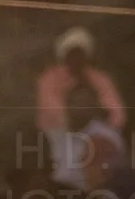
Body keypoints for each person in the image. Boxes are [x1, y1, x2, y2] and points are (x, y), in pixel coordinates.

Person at [35, 26, 128, 180]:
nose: (77, 58)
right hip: (62, 131)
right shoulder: (49, 79)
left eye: (81, 53)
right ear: (64, 56)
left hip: (97, 127)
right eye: (72, 53)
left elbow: (118, 114)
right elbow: (53, 111)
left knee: (112, 153)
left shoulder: (99, 78)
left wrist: (99, 118)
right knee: (68, 168)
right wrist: (76, 115)